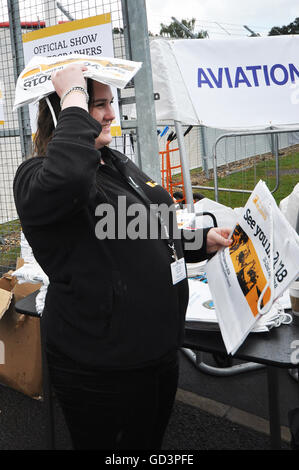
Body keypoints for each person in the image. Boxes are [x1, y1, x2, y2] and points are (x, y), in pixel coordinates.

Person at [13, 64, 232, 450]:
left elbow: (138, 221)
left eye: (110, 103)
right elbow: (69, 179)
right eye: (98, 104)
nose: (112, 114)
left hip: (156, 351)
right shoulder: (38, 176)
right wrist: (73, 97)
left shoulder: (111, 161)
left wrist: (198, 241)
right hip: (100, 364)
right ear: (64, 113)